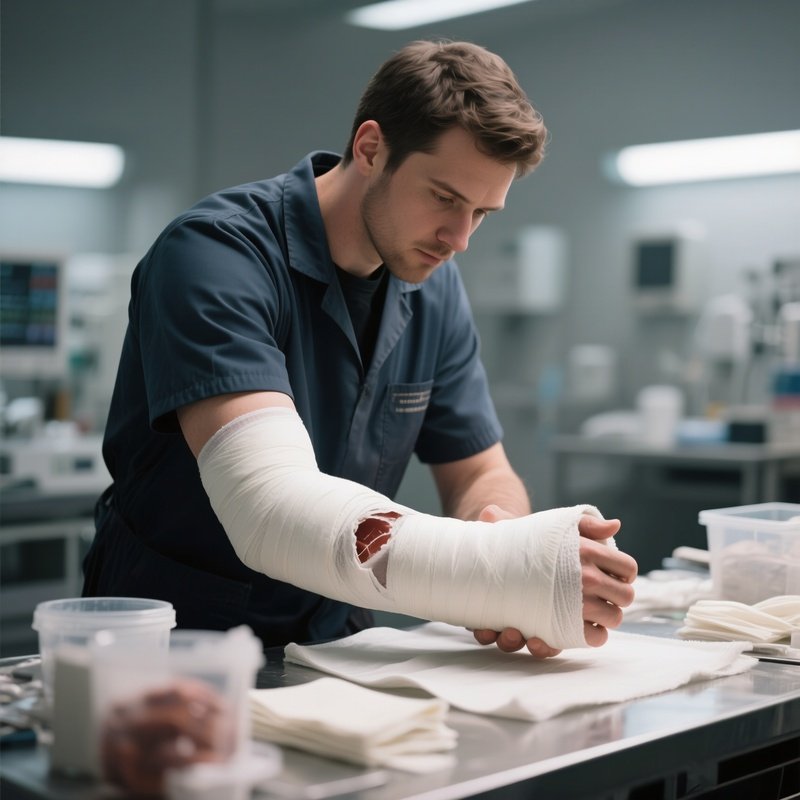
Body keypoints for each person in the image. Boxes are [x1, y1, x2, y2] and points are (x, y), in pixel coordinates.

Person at [83, 39, 637, 658]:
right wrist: (491, 574)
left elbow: (480, 470)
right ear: (371, 148)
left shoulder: (432, 283)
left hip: (334, 637)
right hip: (181, 635)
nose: (459, 239)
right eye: (445, 199)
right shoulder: (215, 254)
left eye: (482, 212)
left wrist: (504, 548)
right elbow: (271, 505)